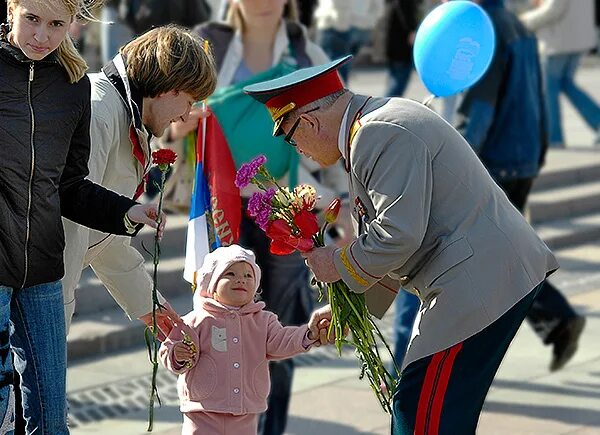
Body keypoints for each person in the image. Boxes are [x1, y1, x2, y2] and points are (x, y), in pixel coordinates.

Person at [244, 55, 559, 433]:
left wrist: (337, 263)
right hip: (484, 275)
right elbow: (405, 239)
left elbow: (398, 234)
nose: (298, 151)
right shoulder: (374, 124)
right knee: (427, 412)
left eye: (292, 138)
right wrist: (351, 311)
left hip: (476, 281)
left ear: (308, 121)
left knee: (421, 416)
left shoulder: (377, 132)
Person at [165, 2, 349, 434]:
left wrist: (344, 204)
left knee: (277, 331)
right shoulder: (205, 46)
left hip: (287, 209)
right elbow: (167, 116)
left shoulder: (308, 55)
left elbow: (336, 133)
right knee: (213, 322)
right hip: (220, 208)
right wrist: (180, 127)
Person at [0, 0, 166, 432]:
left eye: (57, 24)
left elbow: (70, 185)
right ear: (11, 8)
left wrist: (126, 211)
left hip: (42, 273)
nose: (42, 36)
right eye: (32, 19)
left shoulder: (72, 86)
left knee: (53, 421)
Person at [456, 0, 586, 373]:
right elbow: (537, 95)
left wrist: (458, 161)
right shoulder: (516, 24)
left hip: (496, 162)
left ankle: (556, 319)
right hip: (522, 155)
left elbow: (479, 108)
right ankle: (556, 320)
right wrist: (540, 147)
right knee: (501, 258)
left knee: (492, 260)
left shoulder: (485, 31)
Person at [61, 25, 216, 335]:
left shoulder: (119, 111)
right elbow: (72, 225)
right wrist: (57, 311)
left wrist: (149, 306)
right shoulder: (99, 111)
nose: (186, 115)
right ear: (170, 87)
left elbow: (105, 239)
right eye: (189, 100)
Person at [159, 244, 324, 435]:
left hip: (245, 414)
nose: (241, 280)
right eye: (230, 274)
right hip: (202, 412)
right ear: (211, 284)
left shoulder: (263, 321)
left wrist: (308, 334)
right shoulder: (195, 321)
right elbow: (168, 347)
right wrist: (176, 354)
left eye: (248, 275)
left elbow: (282, 340)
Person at [520, 0, 600, 147]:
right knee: (566, 83)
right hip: (578, 38)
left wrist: (524, 20)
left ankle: (554, 138)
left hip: (558, 41)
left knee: (549, 90)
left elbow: (554, 9)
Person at [313, 0, 384, 82]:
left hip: (337, 24)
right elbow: (378, 5)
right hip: (361, 24)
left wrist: (341, 22)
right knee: (340, 69)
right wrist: (370, 20)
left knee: (329, 71)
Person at [383, 0, 421, 97]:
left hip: (395, 45)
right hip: (401, 46)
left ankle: (386, 107)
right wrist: (411, 30)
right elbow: (406, 12)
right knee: (397, 84)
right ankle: (388, 109)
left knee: (394, 82)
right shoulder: (402, 3)